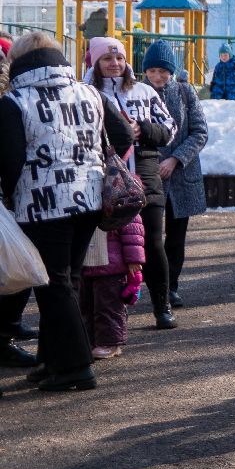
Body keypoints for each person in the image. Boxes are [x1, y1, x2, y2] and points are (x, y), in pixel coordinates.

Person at [1, 31, 133, 392]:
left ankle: (77, 366)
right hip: (89, 200)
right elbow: (123, 136)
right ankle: (52, 361)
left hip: (41, 204)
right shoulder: (90, 93)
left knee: (52, 283)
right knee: (68, 279)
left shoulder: (15, 101)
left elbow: (10, 160)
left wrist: (9, 197)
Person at [86, 37, 179, 327]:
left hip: (146, 176)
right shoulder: (87, 93)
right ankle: (114, 308)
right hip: (105, 180)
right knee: (112, 247)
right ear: (96, 63)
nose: (115, 64)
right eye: (107, 59)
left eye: (120, 59)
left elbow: (169, 129)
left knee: (152, 242)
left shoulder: (145, 91)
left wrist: (143, 129)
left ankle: (162, 306)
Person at [142, 40, 207, 312]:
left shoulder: (184, 91)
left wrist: (176, 158)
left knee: (177, 236)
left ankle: (172, 287)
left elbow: (200, 131)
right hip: (149, 175)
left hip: (182, 174)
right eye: (153, 70)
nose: (158, 76)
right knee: (150, 236)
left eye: (163, 71)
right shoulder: (137, 93)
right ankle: (157, 287)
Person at [80, 208, 144, 360]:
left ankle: (110, 342)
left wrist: (133, 260)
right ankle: (90, 340)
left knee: (108, 306)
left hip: (111, 263)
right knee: (86, 304)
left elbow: (132, 228)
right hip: (86, 261)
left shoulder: (118, 194)